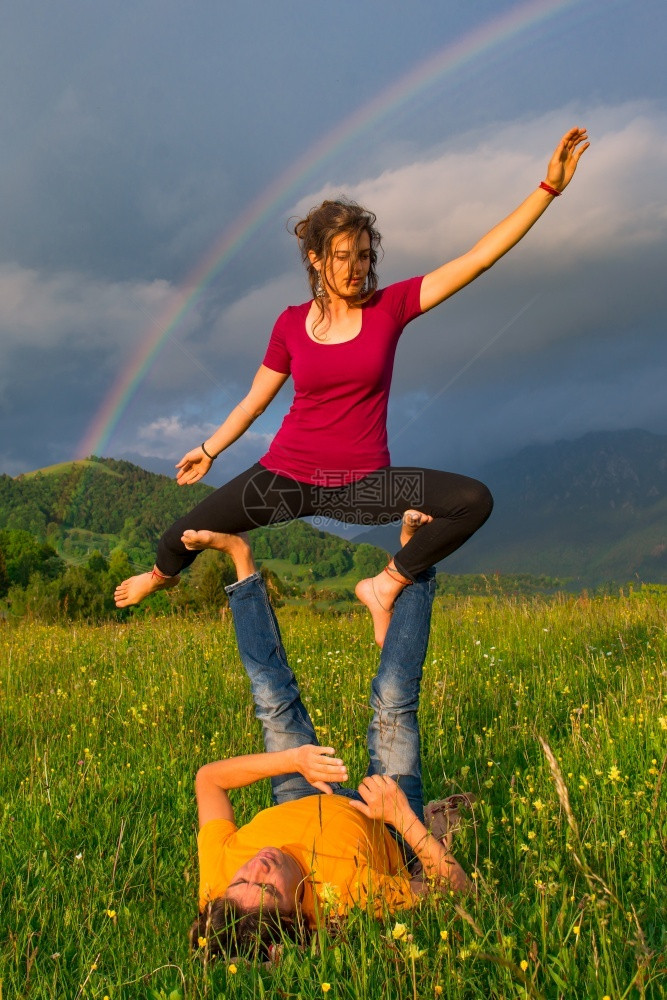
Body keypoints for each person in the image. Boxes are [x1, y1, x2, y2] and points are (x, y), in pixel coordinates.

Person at [115, 128, 589, 646]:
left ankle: (384, 585)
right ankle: (155, 580)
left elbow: (478, 258)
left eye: (364, 255)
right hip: (284, 478)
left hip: (362, 487)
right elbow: (255, 402)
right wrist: (208, 450)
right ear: (317, 259)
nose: (356, 267)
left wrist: (549, 188)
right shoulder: (291, 324)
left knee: (474, 500)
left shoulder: (392, 307)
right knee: (183, 533)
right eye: (342, 256)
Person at [190, 527, 471, 960]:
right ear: (294, 915)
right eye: (265, 887)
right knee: (394, 703)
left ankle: (240, 557)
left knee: (272, 697)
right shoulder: (345, 900)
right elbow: (455, 889)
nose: (255, 868)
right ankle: (416, 555)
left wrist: (293, 759)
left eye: (242, 881)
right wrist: (403, 818)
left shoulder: (219, 889)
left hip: (296, 792)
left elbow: (208, 781)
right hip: (384, 817)